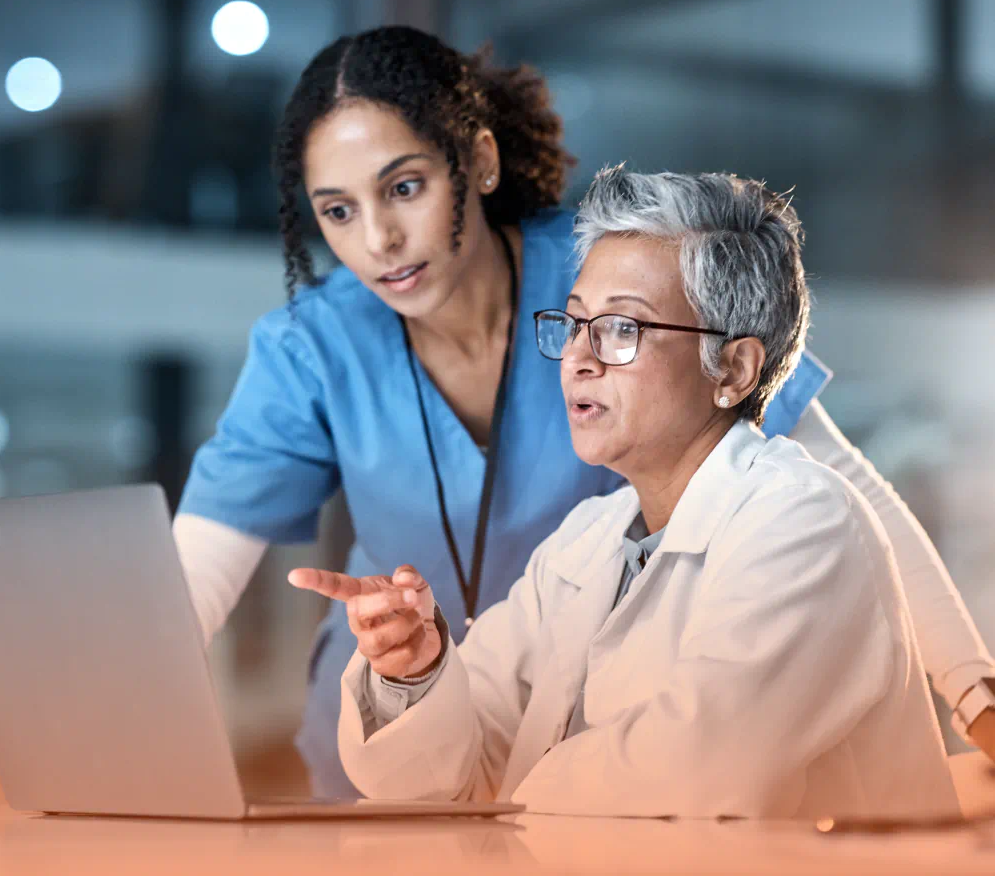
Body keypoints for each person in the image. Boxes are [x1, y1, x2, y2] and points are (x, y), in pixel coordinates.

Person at [173, 26, 995, 797]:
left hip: (584, 766)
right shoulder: (317, 346)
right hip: (435, 738)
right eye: (338, 210)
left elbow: (847, 492)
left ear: (480, 163)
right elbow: (190, 581)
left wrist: (976, 694)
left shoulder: (609, 271)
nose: (379, 238)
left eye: (406, 187)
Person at [289, 168, 959, 818]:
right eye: (575, 323)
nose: (579, 357)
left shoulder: (803, 522)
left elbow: (696, 775)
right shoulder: (590, 538)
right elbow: (453, 771)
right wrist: (416, 672)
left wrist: (506, 799)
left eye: (621, 329)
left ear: (733, 368)